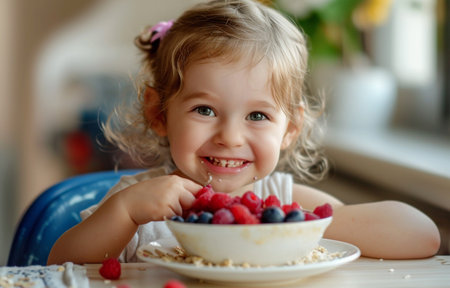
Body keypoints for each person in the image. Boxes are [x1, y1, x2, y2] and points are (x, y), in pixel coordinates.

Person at [47, 0, 440, 265]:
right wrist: (123, 212)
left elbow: (423, 236)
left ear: (291, 128)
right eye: (205, 110)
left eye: (257, 115)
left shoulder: (281, 201)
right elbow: (57, 265)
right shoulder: (140, 207)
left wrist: (299, 226)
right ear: (159, 112)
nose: (230, 137)